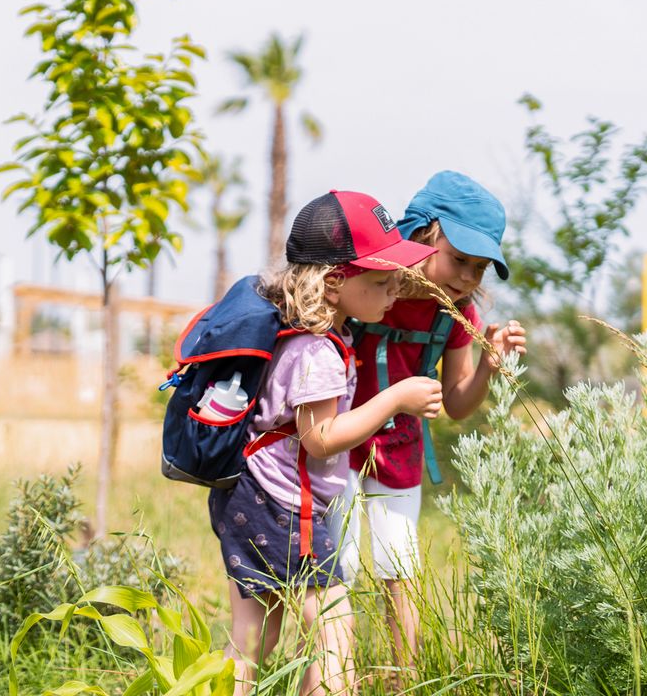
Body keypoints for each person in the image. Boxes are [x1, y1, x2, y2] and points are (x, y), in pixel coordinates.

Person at [209, 190, 443, 696]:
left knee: (255, 635)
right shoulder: (319, 352)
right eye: (382, 283)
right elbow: (320, 439)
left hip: (251, 496)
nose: (393, 293)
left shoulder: (301, 336)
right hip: (287, 507)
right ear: (335, 283)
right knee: (333, 626)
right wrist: (396, 398)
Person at [334, 171, 528, 670]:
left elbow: (459, 403)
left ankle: (403, 679)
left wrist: (488, 364)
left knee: (400, 569)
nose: (467, 277)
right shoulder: (371, 284)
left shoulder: (455, 314)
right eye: (460, 259)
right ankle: (337, 677)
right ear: (426, 232)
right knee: (337, 570)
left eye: (480, 268)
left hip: (398, 451)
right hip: (336, 440)